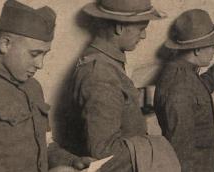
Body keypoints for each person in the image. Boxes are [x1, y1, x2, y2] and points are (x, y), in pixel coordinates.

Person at [56, 0, 179, 171]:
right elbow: (104, 155)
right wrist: (158, 146)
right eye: (141, 29)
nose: (143, 36)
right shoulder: (99, 74)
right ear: (119, 27)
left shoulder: (106, 62)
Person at [0, 1, 90, 171]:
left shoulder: (33, 87)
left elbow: (45, 144)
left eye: (44, 54)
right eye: (34, 54)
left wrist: (72, 161)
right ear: (5, 43)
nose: (40, 64)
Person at [154, 9, 214, 172]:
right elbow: (181, 151)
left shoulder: (183, 72)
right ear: (197, 49)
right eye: (213, 46)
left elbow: (201, 87)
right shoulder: (179, 86)